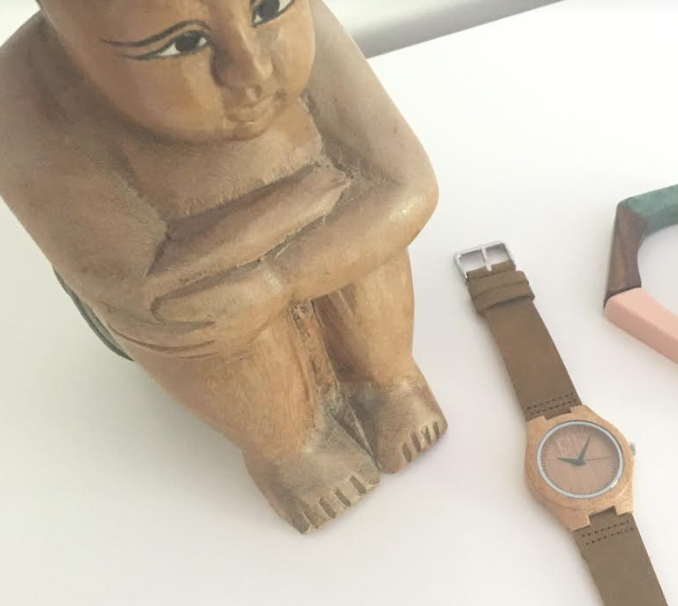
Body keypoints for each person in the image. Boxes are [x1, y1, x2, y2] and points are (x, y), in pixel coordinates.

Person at [0, 0, 445, 532]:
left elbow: (407, 187)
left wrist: (267, 273)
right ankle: (292, 449)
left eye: (267, 10)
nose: (252, 72)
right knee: (229, 340)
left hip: (248, 269)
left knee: (365, 258)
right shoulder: (21, 98)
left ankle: (388, 383)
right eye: (183, 44)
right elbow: (152, 304)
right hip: (221, 319)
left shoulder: (305, 21)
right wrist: (294, 216)